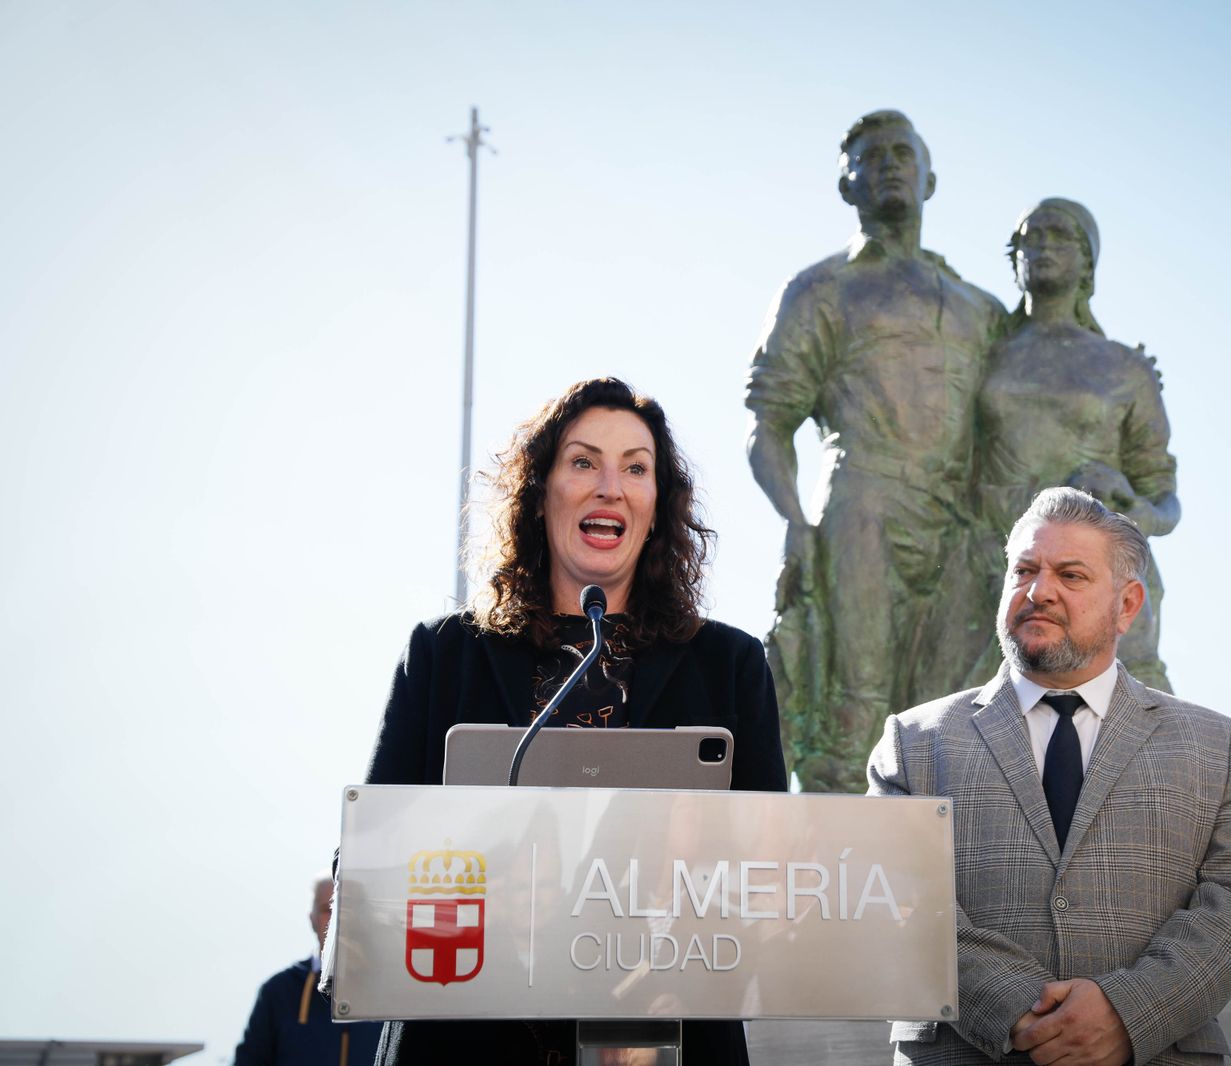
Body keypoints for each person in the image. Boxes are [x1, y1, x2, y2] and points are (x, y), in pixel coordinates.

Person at [366, 377, 788, 1065]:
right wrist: (350, 883)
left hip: (665, 1031)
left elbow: (770, 868)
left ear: (658, 505)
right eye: (583, 462)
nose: (609, 487)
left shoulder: (728, 663)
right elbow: (378, 842)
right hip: (467, 1032)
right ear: (540, 492)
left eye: (636, 468)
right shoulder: (445, 655)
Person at [867, 487, 1231, 1065]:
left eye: (1071, 575)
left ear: (1127, 606)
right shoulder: (913, 743)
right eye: (1024, 570)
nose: (1039, 591)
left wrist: (1125, 1013)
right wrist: (1027, 1015)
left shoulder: (1215, 746)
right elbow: (893, 897)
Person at [745, 109, 1006, 791]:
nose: (888, 164)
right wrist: (795, 523)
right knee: (852, 705)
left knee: (956, 718)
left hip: (962, 526)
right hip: (863, 507)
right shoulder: (821, 289)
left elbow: (1031, 404)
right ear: (846, 186)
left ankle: (937, 881)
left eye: (902, 153)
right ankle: (835, 880)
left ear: (931, 179)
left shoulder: (982, 310)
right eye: (869, 156)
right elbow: (769, 422)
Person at [973, 198, 1178, 693]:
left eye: (1059, 236)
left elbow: (1163, 496)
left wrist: (1138, 514)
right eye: (1030, 237)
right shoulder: (983, 353)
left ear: (1087, 262)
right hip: (989, 553)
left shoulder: (1125, 367)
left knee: (1124, 722)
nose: (1043, 246)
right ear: (1014, 258)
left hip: (1096, 563)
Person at [235, 873, 381, 1066]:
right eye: (327, 909)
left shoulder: (391, 994)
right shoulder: (279, 992)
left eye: (348, 908)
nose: (337, 917)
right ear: (312, 918)